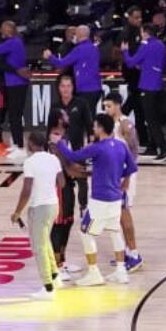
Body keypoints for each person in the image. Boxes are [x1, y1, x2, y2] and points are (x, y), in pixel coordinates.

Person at [54, 113, 138, 287]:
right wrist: (117, 176)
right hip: (116, 198)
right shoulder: (121, 146)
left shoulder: (98, 147)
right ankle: (121, 271)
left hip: (100, 199)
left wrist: (59, 144)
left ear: (100, 128)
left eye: (94, 126)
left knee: (85, 233)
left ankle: (94, 273)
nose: (93, 128)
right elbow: (132, 167)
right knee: (115, 232)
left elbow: (73, 156)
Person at [47, 74, 94, 279]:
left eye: (69, 85)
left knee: (68, 218)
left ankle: (62, 261)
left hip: (76, 158)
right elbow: (56, 152)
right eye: (63, 86)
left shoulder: (81, 104)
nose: (66, 89)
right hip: (61, 173)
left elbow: (90, 129)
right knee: (60, 219)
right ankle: (56, 264)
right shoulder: (55, 140)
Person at [10, 132, 65, 300]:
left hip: (39, 208)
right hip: (53, 206)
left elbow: (26, 191)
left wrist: (17, 211)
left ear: (32, 144)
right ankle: (55, 277)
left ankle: (48, 288)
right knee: (45, 241)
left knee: (39, 247)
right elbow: (61, 183)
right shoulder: (53, 159)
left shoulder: (30, 162)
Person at [103, 92, 147, 273]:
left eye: (109, 106)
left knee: (124, 213)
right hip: (115, 174)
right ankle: (128, 253)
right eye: (105, 106)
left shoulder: (126, 125)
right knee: (119, 215)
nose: (106, 110)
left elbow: (134, 153)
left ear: (118, 105)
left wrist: (127, 177)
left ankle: (135, 254)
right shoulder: (110, 125)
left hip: (125, 175)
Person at [123, 23, 166, 161]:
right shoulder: (161, 45)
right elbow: (162, 65)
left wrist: (125, 51)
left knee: (151, 119)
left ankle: (164, 148)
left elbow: (131, 63)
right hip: (158, 85)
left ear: (145, 32)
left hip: (147, 86)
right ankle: (152, 146)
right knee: (153, 117)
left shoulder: (145, 45)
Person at [0, 19, 31, 159]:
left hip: (13, 84)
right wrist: (17, 70)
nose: (4, 33)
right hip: (1, 83)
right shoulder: (10, 40)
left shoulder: (11, 42)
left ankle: (18, 145)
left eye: (6, 31)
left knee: (13, 116)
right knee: (2, 113)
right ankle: (1, 144)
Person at [44, 25, 102, 112]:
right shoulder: (95, 48)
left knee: (83, 117)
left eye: (75, 34)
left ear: (78, 34)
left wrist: (49, 56)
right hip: (96, 89)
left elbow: (61, 63)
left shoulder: (79, 49)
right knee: (91, 115)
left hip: (85, 90)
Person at [120, 5, 147, 144]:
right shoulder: (126, 32)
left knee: (138, 105)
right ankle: (117, 119)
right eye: (136, 17)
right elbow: (125, 52)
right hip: (132, 72)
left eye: (140, 17)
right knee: (136, 104)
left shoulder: (139, 30)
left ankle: (142, 137)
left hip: (138, 73)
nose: (139, 19)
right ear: (129, 17)